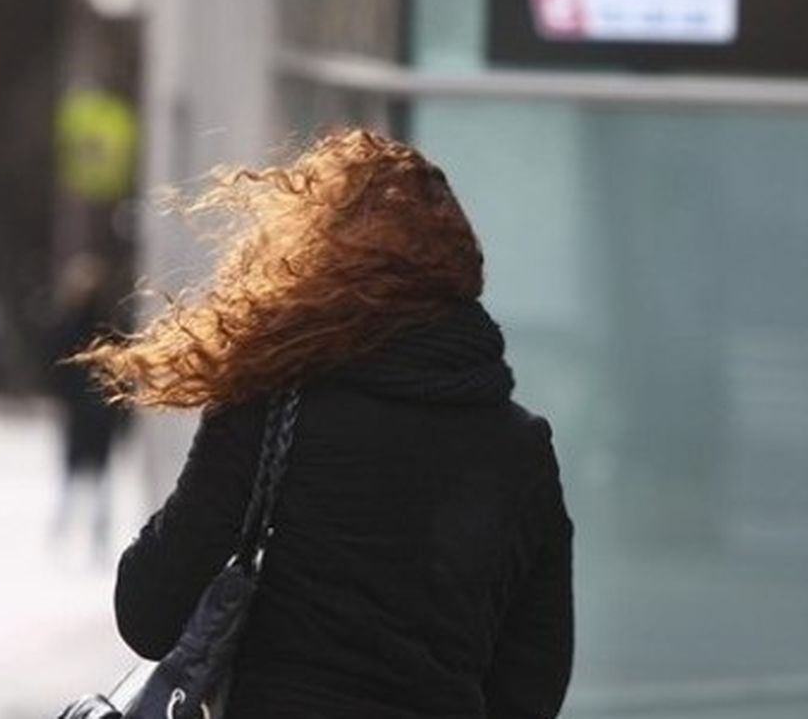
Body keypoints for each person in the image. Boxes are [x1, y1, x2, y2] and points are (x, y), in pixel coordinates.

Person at [73, 130, 574, 717]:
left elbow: (149, 616)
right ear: (462, 279)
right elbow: (533, 684)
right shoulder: (520, 450)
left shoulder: (269, 409)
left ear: (318, 268)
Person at [48, 253, 130, 558]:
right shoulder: (106, 327)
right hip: (92, 412)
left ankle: (88, 531)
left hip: (94, 412)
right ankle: (72, 529)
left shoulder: (97, 327)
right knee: (83, 474)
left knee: (91, 475)